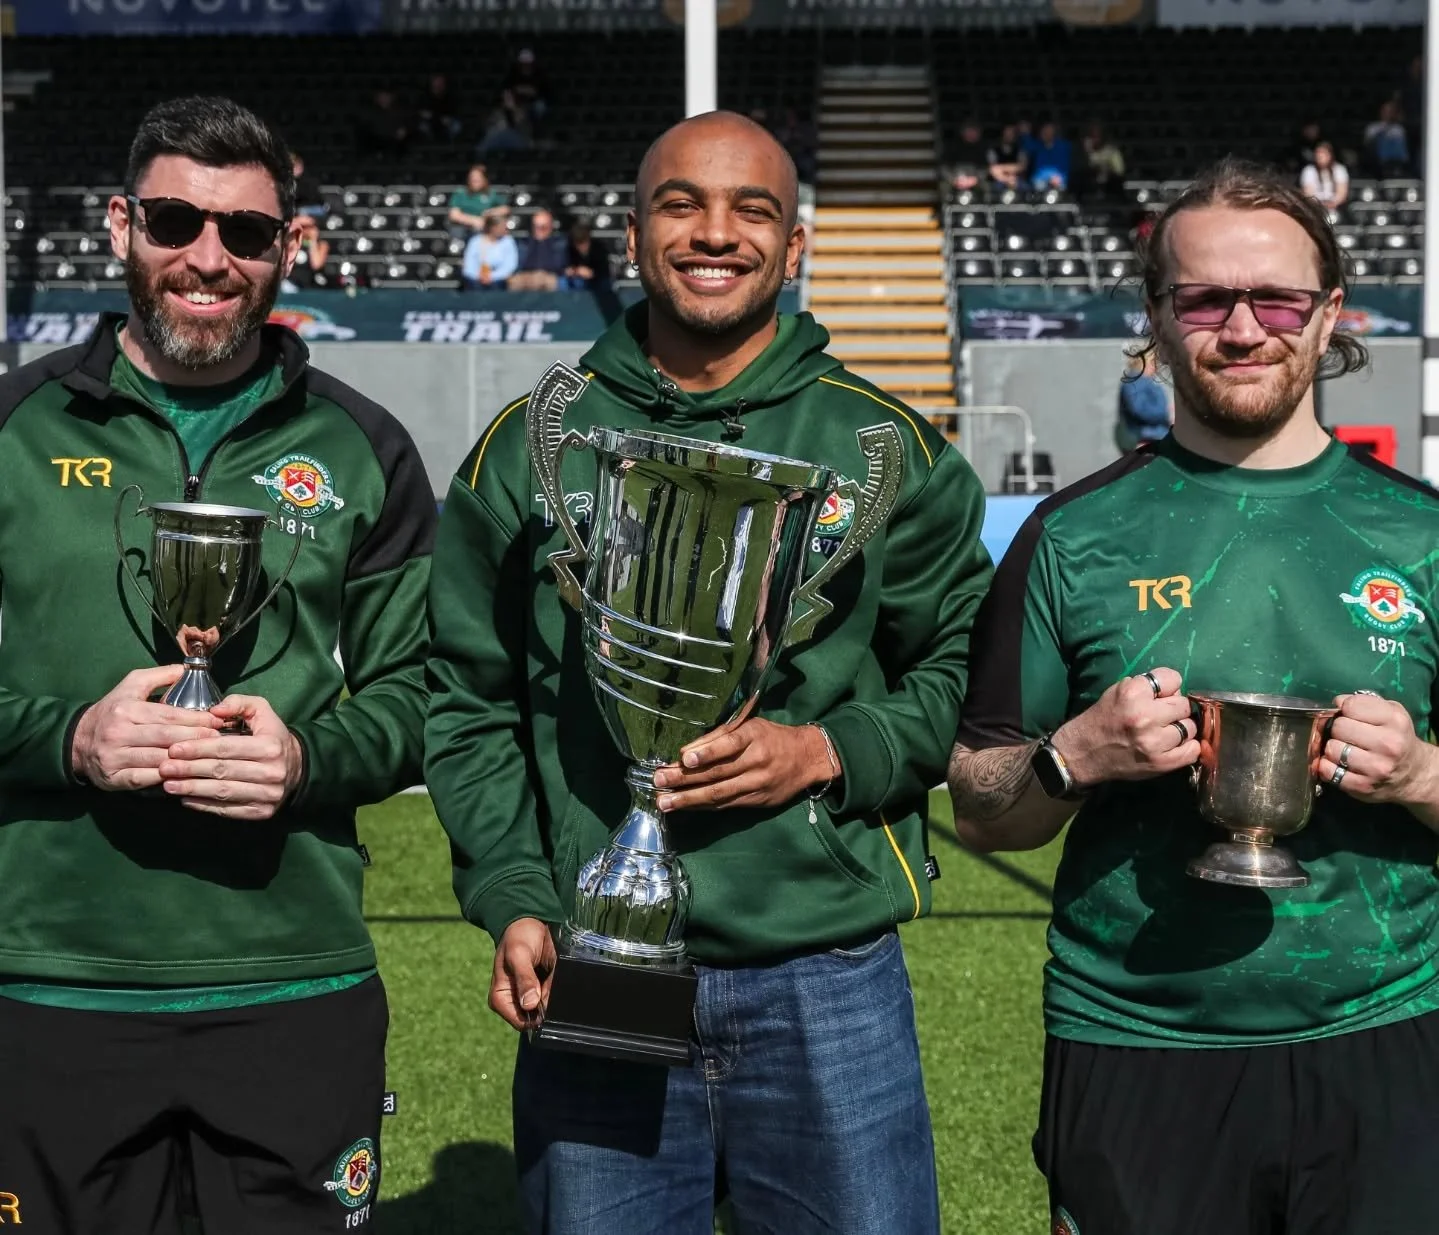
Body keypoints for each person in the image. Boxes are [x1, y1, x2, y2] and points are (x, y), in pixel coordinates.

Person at [424, 109, 993, 1234]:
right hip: (593, 955)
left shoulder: (890, 451)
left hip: (823, 968)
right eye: (679, 204)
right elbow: (469, 698)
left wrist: (828, 749)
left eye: (752, 210)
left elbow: (963, 669)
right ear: (634, 234)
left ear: (794, 246)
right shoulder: (530, 445)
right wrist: (514, 892)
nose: (714, 232)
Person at [946, 157, 1439, 1234]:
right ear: (1156, 321)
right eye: (1205, 298)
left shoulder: (1423, 534)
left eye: (1277, 300)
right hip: (1135, 1040)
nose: (1243, 328)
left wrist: (1415, 772)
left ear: (1328, 315)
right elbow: (980, 808)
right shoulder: (1070, 535)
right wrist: (1074, 756)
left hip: (1386, 1033)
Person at [0, 95, 435, 1232]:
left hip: (294, 980)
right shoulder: (13, 427)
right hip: (52, 979)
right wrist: (69, 738)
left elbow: (424, 693)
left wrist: (307, 760)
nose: (208, 258)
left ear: (288, 245)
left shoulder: (363, 444)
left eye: (245, 231)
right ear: (119, 225)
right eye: (173, 221)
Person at [1115, 348, 1171, 452]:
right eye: (1153, 363)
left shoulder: (1144, 382)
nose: (1156, 367)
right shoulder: (1135, 382)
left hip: (1152, 435)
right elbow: (1140, 409)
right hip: (1145, 436)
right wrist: (1164, 413)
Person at [447, 162, 508, 240]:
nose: (474, 180)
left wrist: (490, 213)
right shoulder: (461, 193)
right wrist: (474, 221)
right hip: (463, 230)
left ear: (484, 179)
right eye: (472, 178)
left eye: (478, 178)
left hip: (484, 229)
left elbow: (505, 209)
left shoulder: (490, 193)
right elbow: (454, 215)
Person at [461, 212, 518, 290]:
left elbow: (509, 266)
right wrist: (479, 276)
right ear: (493, 228)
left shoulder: (508, 241)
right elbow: (468, 265)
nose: (506, 230)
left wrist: (491, 276)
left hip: (499, 282)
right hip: (476, 281)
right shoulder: (475, 241)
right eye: (502, 227)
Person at [1300, 140, 1350, 214]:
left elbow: (1342, 192)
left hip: (1336, 207)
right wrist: (1320, 205)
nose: (1320, 156)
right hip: (1315, 207)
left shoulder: (1339, 169)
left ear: (1330, 155)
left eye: (1323, 154)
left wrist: (1332, 204)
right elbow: (1308, 194)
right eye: (1318, 154)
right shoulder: (1309, 170)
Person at [563, 218, 611, 289]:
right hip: (577, 281)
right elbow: (566, 267)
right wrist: (576, 271)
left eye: (583, 243)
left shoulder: (599, 248)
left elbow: (604, 271)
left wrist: (591, 273)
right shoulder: (570, 249)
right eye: (578, 244)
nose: (582, 247)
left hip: (598, 281)